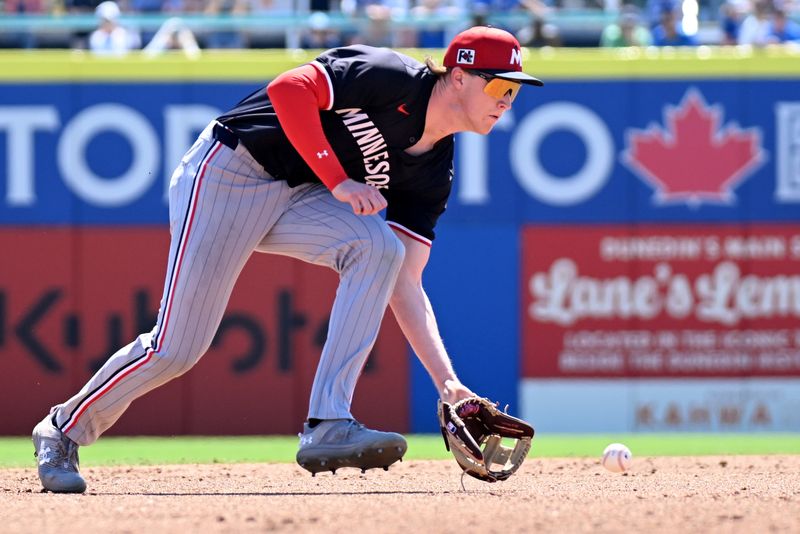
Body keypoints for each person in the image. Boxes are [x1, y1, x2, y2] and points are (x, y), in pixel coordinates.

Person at [32, 25, 543, 493]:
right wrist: (338, 181)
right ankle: (61, 429)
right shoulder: (390, 76)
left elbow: (404, 281)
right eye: (499, 86)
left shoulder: (434, 172)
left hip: (297, 194)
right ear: (457, 77)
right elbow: (288, 90)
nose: (506, 101)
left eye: (513, 92)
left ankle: (328, 422)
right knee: (177, 348)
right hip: (230, 172)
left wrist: (447, 384)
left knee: (379, 249)